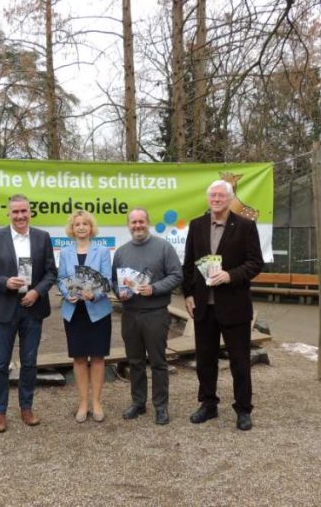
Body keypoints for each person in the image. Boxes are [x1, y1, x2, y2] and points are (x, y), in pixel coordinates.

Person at [182, 180, 264, 431]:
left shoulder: (245, 226)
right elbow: (188, 264)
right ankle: (208, 404)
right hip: (203, 307)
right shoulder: (196, 226)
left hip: (234, 306)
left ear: (229, 199)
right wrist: (187, 294)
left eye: (221, 195)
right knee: (205, 360)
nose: (216, 199)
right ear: (208, 199)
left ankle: (243, 409)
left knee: (239, 361)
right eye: (213, 195)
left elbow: (255, 263)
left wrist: (230, 275)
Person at [0, 194, 57, 433]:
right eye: (15, 212)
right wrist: (5, 282)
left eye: (24, 211)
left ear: (30, 212)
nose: (20, 216)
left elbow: (50, 273)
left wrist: (37, 292)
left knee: (30, 361)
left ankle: (26, 407)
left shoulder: (42, 237)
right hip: (5, 308)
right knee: (0, 363)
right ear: (9, 214)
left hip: (33, 308)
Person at [112, 207, 183, 425]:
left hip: (155, 313)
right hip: (130, 313)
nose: (138, 226)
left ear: (148, 222)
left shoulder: (163, 247)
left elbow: (177, 275)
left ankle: (161, 406)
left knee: (158, 362)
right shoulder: (122, 252)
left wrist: (155, 288)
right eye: (133, 222)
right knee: (134, 361)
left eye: (141, 222)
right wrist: (119, 292)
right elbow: (115, 281)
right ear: (128, 226)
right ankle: (138, 403)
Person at [57, 210, 113, 423]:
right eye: (77, 224)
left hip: (97, 311)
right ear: (72, 228)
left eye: (85, 224)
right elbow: (61, 278)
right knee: (79, 358)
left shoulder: (102, 251)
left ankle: (96, 402)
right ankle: (82, 402)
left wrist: (94, 294)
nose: (81, 227)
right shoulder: (65, 252)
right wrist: (66, 293)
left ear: (91, 228)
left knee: (98, 358)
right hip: (74, 312)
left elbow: (107, 281)